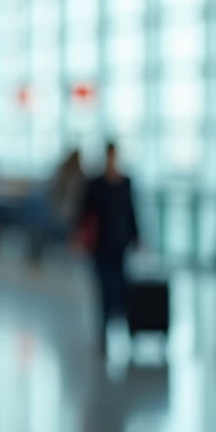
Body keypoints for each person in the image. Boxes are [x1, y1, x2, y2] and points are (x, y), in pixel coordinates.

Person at [77, 143, 139, 350]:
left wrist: (137, 237)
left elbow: (131, 211)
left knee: (120, 288)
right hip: (100, 245)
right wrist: (78, 236)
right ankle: (103, 333)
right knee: (104, 288)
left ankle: (123, 326)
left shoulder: (125, 183)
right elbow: (84, 213)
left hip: (120, 244)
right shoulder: (96, 184)